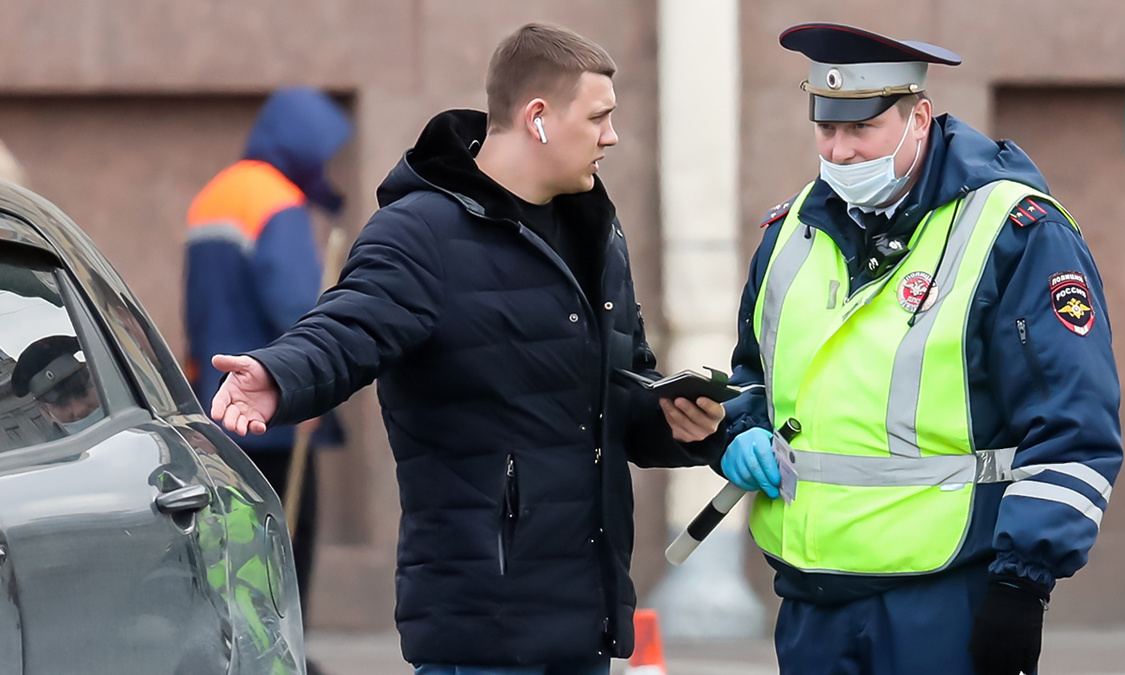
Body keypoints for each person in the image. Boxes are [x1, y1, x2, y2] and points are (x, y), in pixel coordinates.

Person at [209, 23, 726, 674]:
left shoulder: (595, 229)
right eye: (598, 118)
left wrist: (679, 423)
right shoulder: (421, 231)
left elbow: (617, 388)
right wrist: (279, 373)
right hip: (481, 632)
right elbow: (348, 324)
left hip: (583, 623)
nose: (612, 137)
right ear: (538, 118)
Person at [718, 23, 1122, 675]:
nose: (841, 151)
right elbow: (753, 371)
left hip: (945, 598)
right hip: (810, 602)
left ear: (920, 117)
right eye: (827, 128)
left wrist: (1022, 582)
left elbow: (1074, 426)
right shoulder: (788, 232)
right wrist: (743, 427)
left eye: (863, 129)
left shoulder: (1016, 233)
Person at [184, 86, 351, 675]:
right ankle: (284, 658)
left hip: (217, 404)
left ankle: (241, 655)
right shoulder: (276, 202)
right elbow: (297, 307)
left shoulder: (214, 196)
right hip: (274, 406)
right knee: (287, 536)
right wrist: (317, 375)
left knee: (234, 546)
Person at [11, 334, 102, 435]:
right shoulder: (55, 446)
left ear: (96, 381)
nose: (79, 410)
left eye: (82, 392)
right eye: (61, 404)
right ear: (46, 411)